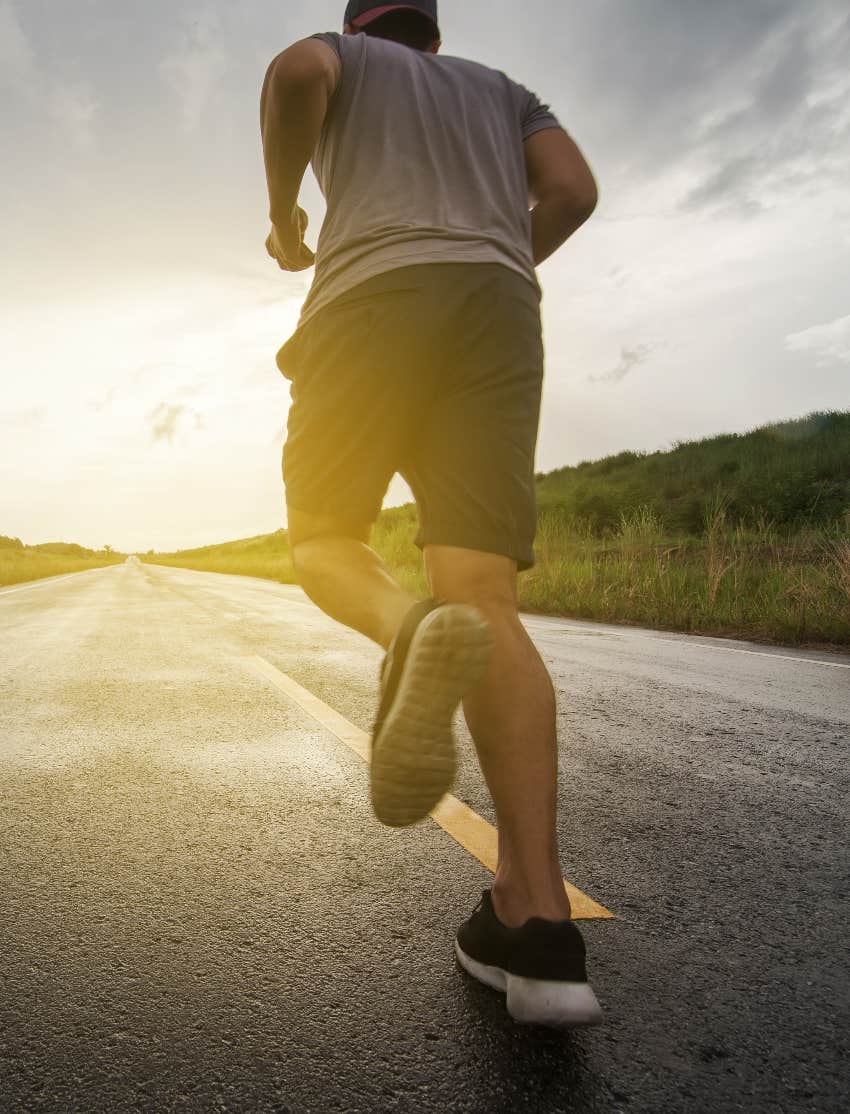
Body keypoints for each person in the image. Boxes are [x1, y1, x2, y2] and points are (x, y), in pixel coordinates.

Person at [261, 0, 601, 1027]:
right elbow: (573, 191)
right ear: (435, 31)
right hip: (497, 309)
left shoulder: (348, 58)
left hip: (369, 296)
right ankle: (538, 927)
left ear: (362, 21)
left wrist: (287, 221)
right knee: (485, 592)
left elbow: (292, 76)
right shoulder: (503, 93)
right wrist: (500, 255)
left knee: (323, 538)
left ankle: (409, 636)